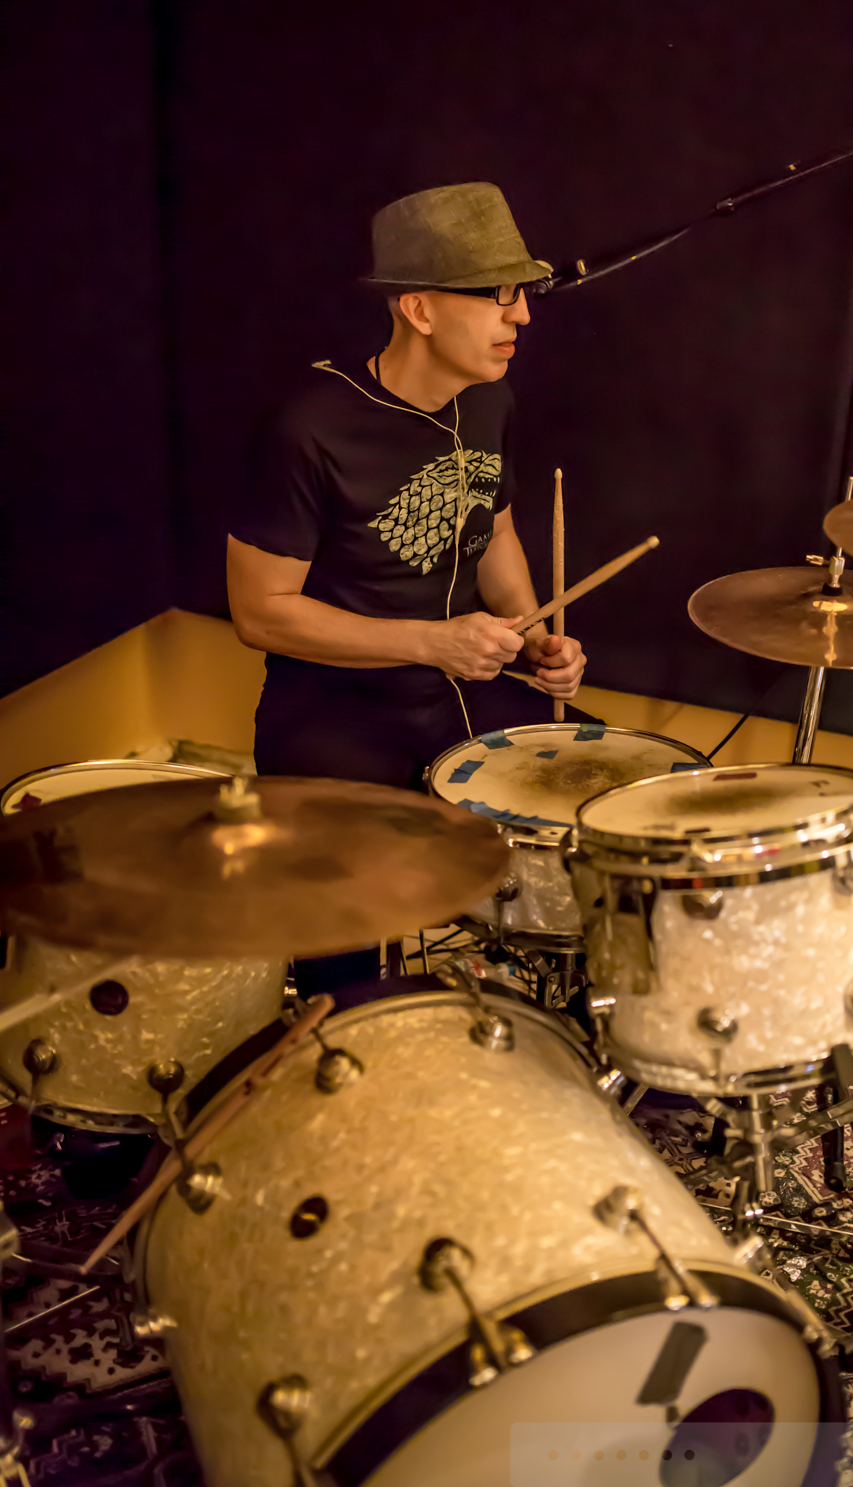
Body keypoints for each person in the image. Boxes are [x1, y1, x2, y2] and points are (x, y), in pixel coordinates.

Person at [227, 183, 592, 991]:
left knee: (599, 817)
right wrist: (432, 641)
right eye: (497, 296)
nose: (522, 317)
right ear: (419, 309)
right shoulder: (306, 429)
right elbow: (259, 612)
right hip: (336, 714)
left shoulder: (490, 398)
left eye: (522, 295)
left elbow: (494, 530)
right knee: (343, 942)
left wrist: (533, 635)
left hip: (463, 689)